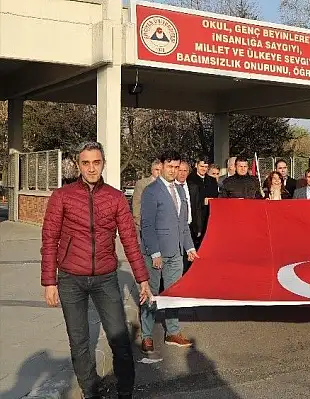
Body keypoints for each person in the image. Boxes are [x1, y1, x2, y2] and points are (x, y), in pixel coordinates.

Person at [41, 141, 151, 399]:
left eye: (96, 162)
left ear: (103, 163)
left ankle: (125, 390)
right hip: (70, 279)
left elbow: (129, 240)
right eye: (86, 163)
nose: (91, 168)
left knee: (119, 338)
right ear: (78, 165)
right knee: (79, 342)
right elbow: (49, 239)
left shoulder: (114, 197)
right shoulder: (62, 196)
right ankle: (91, 390)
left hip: (105, 278)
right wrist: (49, 281)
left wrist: (142, 278)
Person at [140, 150, 198, 353]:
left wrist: (189, 247)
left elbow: (183, 224)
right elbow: (146, 225)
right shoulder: (151, 191)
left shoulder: (181, 191)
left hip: (176, 252)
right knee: (151, 295)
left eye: (176, 167)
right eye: (170, 167)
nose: (173, 171)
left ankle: (172, 332)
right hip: (156, 254)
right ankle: (146, 336)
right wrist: (154, 253)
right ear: (162, 166)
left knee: (174, 294)